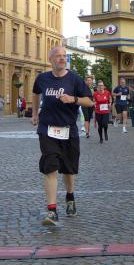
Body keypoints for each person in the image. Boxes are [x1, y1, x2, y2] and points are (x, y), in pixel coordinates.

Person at [32, 46, 93, 226]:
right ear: (50, 59)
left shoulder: (74, 79)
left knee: (68, 170)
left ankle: (70, 196)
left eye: (64, 56)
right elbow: (35, 93)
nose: (62, 58)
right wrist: (34, 113)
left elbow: (89, 101)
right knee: (50, 167)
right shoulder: (42, 78)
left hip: (68, 130)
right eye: (58, 56)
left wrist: (74, 99)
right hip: (47, 129)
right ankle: (52, 211)